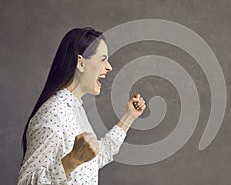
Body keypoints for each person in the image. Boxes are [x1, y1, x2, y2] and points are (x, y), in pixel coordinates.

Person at [17, 27, 146, 184]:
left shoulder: (75, 109)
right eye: (103, 59)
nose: (109, 67)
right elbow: (25, 182)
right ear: (81, 63)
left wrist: (129, 117)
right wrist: (73, 159)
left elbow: (94, 160)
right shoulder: (53, 114)